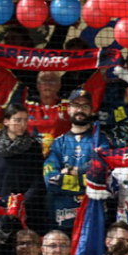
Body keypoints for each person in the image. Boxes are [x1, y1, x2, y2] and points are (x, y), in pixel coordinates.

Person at [43, 92, 111, 232]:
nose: (80, 110)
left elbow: (102, 173)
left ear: (92, 110)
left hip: (94, 214)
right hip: (64, 216)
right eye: (75, 105)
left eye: (85, 106)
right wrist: (86, 180)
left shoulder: (102, 140)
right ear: (68, 109)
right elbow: (50, 180)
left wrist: (71, 172)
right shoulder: (58, 143)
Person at [0, 105, 46, 231]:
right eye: (18, 120)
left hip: (29, 212)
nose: (22, 124)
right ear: (6, 121)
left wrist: (20, 204)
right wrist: (0, 204)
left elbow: (38, 181)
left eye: (25, 120)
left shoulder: (34, 147)